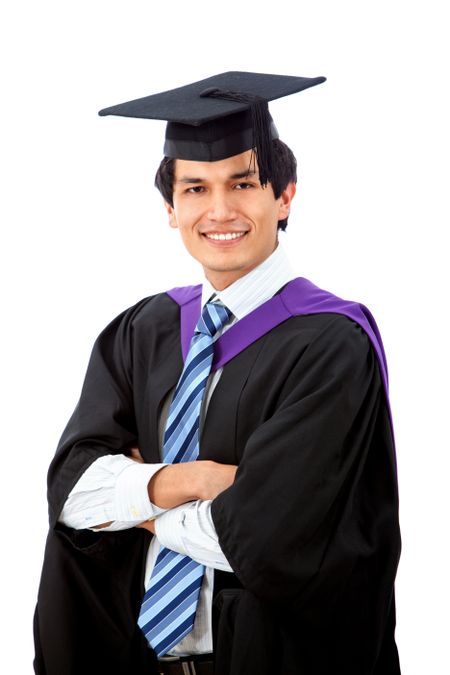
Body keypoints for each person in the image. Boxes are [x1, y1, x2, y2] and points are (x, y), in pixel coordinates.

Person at [33, 71, 402, 675]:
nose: (220, 210)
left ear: (284, 196)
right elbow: (71, 495)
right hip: (132, 658)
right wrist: (197, 479)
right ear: (171, 209)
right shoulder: (144, 330)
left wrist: (136, 504)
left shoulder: (331, 344)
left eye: (243, 182)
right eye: (196, 188)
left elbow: (265, 540)